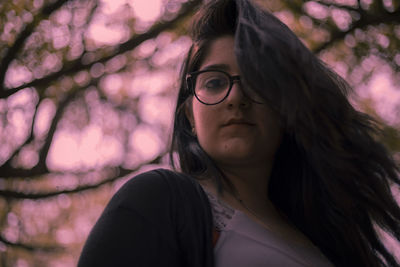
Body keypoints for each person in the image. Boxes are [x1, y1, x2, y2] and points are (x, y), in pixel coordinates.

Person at [78, 0, 400, 266]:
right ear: (190, 114)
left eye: (256, 81)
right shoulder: (157, 202)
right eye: (215, 82)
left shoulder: (330, 239)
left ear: (285, 109)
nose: (235, 97)